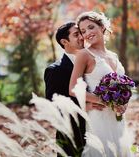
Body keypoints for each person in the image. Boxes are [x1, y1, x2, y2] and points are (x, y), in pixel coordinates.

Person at [69, 11, 133, 157]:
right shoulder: (84, 55)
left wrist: (123, 103)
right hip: (98, 117)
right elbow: (73, 89)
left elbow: (123, 86)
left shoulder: (113, 56)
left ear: (102, 27)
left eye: (91, 27)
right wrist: (105, 100)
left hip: (117, 117)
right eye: (83, 31)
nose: (87, 33)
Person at [44, 22, 104, 157]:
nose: (82, 37)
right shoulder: (55, 70)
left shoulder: (95, 62)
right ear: (64, 41)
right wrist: (83, 106)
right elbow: (53, 106)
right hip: (73, 135)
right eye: (76, 34)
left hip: (99, 127)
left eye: (81, 33)